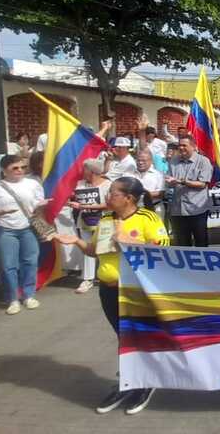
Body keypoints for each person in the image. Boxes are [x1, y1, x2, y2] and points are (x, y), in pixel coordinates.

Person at [56, 177, 169, 415]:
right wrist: (76, 241)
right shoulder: (106, 219)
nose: (107, 197)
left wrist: (128, 241)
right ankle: (127, 383)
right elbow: (95, 251)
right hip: (108, 289)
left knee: (139, 337)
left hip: (135, 291)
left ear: (128, 198)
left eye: (113, 194)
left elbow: (162, 252)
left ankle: (145, 384)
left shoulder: (148, 218)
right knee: (122, 337)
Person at [0, 155, 48, 315]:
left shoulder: (32, 184)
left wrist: (41, 206)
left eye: (22, 167)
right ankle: (12, 298)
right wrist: (0, 212)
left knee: (30, 262)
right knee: (8, 266)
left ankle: (28, 295)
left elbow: (37, 205)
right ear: (4, 171)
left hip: (28, 228)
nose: (20, 171)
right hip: (5, 229)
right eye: (15, 168)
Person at [67, 159, 110, 294]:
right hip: (85, 221)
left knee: (105, 249)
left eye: (85, 169)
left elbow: (109, 205)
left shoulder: (108, 185)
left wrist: (85, 206)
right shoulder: (80, 184)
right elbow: (74, 198)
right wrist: (71, 200)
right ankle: (87, 279)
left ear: (92, 171)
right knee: (87, 248)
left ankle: (106, 275)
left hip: (103, 221)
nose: (82, 172)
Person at [165, 135, 213, 247]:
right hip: (177, 210)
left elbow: (202, 184)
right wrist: (169, 182)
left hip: (196, 209)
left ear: (193, 146)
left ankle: (203, 264)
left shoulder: (203, 161)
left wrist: (181, 181)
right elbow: (169, 180)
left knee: (201, 243)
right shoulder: (173, 161)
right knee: (182, 245)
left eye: (184, 145)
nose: (181, 148)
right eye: (179, 145)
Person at [134, 150, 166, 220]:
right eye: (138, 160)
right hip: (135, 210)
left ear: (151, 161)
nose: (140, 163)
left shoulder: (158, 175)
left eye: (143, 160)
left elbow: (161, 193)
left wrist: (142, 193)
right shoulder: (129, 174)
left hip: (154, 209)